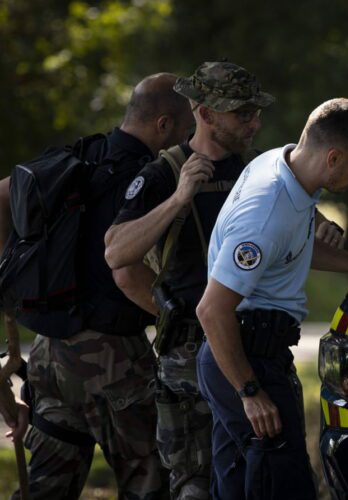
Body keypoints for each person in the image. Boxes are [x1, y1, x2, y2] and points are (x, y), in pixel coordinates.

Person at [103, 62, 345, 500]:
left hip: (253, 349)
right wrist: (179, 197)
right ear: (204, 112)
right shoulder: (164, 173)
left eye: (256, 112)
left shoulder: (263, 171)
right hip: (189, 360)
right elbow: (117, 254)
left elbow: (297, 244)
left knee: (266, 475)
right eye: (241, 114)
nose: (254, 123)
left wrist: (340, 248)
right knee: (197, 487)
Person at [195, 98, 348, 499]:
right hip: (244, 357)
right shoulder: (267, 211)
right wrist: (250, 393)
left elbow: (293, 245)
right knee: (281, 485)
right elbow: (211, 310)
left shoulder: (281, 167)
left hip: (251, 353)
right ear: (333, 157)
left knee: (238, 487)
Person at [1, 72, 193, 499]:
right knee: (150, 482)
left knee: (47, 486)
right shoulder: (150, 179)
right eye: (185, 128)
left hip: (50, 352)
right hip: (114, 359)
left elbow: (0, 197)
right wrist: (177, 320)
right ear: (163, 124)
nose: (187, 138)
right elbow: (125, 275)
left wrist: (10, 282)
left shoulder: (79, 157)